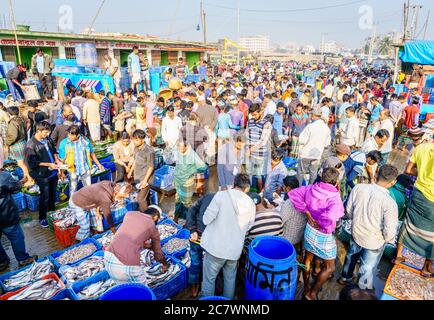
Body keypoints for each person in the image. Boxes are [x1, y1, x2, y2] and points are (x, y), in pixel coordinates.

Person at [338, 165, 399, 290]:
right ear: (393, 182)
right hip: (374, 241)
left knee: (351, 255)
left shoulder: (358, 188)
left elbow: (348, 211)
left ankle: (345, 277)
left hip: (356, 232)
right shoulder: (390, 203)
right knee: (367, 266)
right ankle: (362, 289)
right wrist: (386, 240)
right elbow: (389, 232)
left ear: (376, 174)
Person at [290, 168, 344, 300]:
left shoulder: (310, 188)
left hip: (309, 229)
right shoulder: (334, 197)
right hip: (323, 234)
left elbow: (293, 194)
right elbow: (332, 216)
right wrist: (321, 223)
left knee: (308, 259)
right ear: (336, 181)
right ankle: (312, 293)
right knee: (330, 267)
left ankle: (307, 287)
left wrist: (307, 212)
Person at [200, 174, 256, 299]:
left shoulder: (221, 195)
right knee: (230, 279)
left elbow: (206, 220)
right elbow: (249, 226)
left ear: (233, 183)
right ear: (246, 188)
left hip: (216, 248)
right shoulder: (250, 203)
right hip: (234, 250)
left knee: (209, 280)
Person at [397, 141, 434, 277]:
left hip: (418, 192)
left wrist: (422, 174)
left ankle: (398, 256)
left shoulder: (421, 147)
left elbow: (408, 170)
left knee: (408, 222)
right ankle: (426, 267)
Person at [104, 205, 168, 284]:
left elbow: (131, 232)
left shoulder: (130, 214)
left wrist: (144, 245)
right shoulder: (152, 227)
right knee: (142, 292)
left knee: (125, 289)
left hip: (108, 256)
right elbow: (158, 254)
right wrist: (165, 264)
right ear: (155, 217)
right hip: (127, 264)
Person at [24, 121, 60, 228]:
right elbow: (32, 163)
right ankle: (42, 217)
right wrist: (48, 164)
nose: (47, 134)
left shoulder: (47, 139)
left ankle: (52, 213)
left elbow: (54, 151)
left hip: (52, 172)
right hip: (41, 174)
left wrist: (57, 161)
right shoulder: (31, 145)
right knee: (45, 196)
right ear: (38, 130)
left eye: (48, 132)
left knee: (53, 194)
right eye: (45, 132)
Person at [0, 169, 37, 271]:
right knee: (16, 237)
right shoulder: (2, 176)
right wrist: (22, 181)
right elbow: (15, 187)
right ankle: (23, 259)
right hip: (5, 215)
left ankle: (2, 262)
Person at [57, 125, 105, 195]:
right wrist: (61, 172)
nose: (69, 136)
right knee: (73, 190)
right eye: (68, 134)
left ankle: (88, 204)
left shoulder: (85, 141)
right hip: (72, 170)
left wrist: (99, 164)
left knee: (88, 189)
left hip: (85, 169)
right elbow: (61, 159)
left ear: (78, 135)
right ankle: (73, 204)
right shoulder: (64, 143)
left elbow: (92, 154)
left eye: (71, 135)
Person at [186, 193, 216, 298]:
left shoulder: (209, 196)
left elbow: (192, 210)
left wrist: (192, 229)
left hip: (201, 236)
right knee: (203, 264)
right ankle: (198, 286)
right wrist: (192, 229)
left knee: (196, 262)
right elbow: (191, 210)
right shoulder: (209, 197)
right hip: (199, 237)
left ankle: (197, 286)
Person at [173, 139, 208, 223]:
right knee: (177, 200)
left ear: (186, 146)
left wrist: (193, 171)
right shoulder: (178, 151)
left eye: (181, 148)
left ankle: (187, 221)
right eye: (178, 147)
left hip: (187, 183)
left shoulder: (192, 156)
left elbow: (204, 167)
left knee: (186, 203)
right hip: (178, 180)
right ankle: (176, 217)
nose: (179, 149)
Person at [297, 107, 331, 185]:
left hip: (305, 154)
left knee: (301, 173)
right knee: (313, 173)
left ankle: (298, 189)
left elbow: (301, 140)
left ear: (313, 116)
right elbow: (327, 144)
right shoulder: (326, 128)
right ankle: (311, 189)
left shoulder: (310, 127)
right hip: (317, 155)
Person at [246, 103, 272, 193]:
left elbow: (263, 141)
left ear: (261, 112)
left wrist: (250, 149)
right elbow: (247, 135)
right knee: (252, 174)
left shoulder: (267, 124)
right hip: (251, 154)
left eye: (255, 114)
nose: (253, 116)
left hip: (261, 154)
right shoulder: (250, 121)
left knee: (260, 175)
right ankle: (253, 193)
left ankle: (261, 193)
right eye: (252, 115)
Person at [5, 107, 34, 187]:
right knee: (25, 162)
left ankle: (30, 179)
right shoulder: (21, 119)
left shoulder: (13, 122)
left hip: (17, 144)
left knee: (21, 163)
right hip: (22, 142)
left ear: (9, 113)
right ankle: (26, 176)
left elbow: (13, 136)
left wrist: (7, 143)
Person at [128, 129, 154, 212]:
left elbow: (151, 167)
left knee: (140, 199)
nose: (134, 142)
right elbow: (135, 160)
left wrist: (145, 181)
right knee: (143, 197)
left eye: (137, 140)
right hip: (137, 177)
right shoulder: (136, 148)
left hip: (146, 179)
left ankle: (147, 217)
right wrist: (130, 171)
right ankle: (149, 209)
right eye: (133, 139)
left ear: (142, 140)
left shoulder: (149, 151)